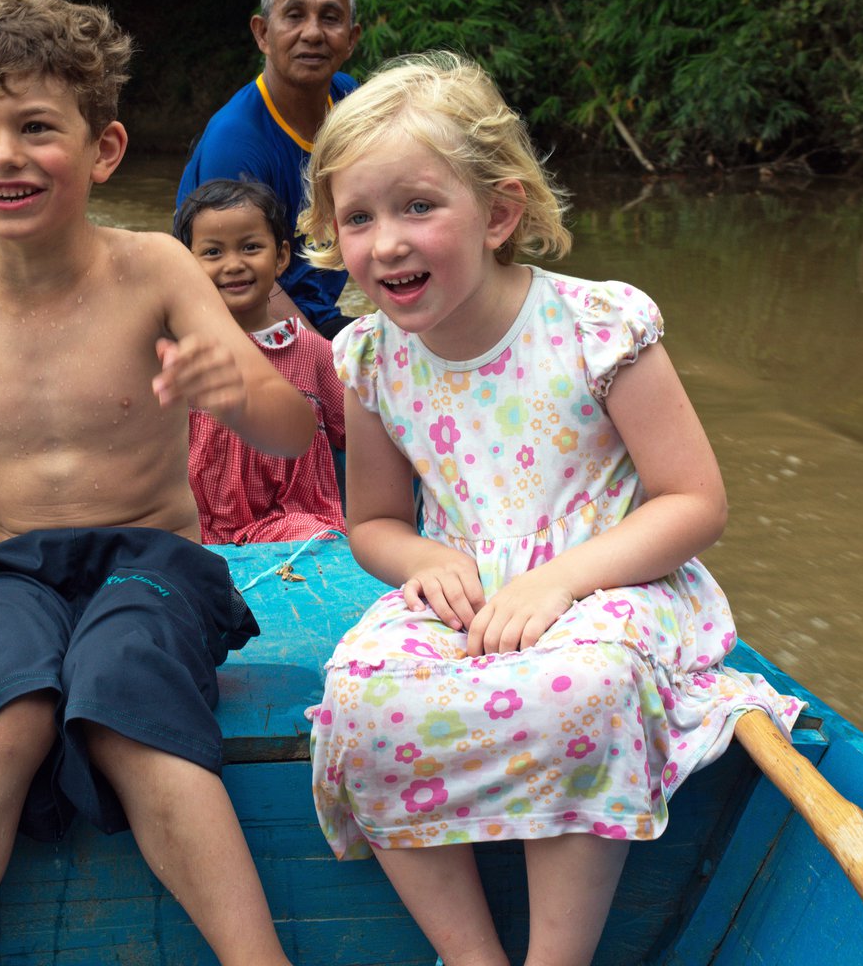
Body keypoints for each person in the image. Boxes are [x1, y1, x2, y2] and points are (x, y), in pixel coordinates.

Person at [0, 0, 313, 966]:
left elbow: (294, 433)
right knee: (4, 721)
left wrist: (236, 391)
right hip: (12, 570)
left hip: (153, 562)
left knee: (125, 702)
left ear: (103, 149)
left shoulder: (158, 272)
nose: (4, 156)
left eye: (37, 128)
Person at [296, 52, 802, 966]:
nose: (387, 243)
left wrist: (561, 582)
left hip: (610, 577)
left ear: (497, 212)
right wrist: (420, 561)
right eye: (358, 218)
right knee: (357, 702)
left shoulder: (595, 326)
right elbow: (371, 521)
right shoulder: (370, 357)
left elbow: (694, 501)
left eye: (418, 206)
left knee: (587, 692)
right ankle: (472, 956)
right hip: (467, 597)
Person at [176, 0, 362, 339]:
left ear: (352, 38)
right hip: (252, 319)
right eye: (294, 15)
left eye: (330, 18)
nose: (312, 33)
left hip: (317, 307)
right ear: (262, 34)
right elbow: (234, 283)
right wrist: (321, 364)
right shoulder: (236, 144)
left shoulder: (350, 102)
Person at [174, 177, 346, 544]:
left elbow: (361, 434)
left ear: (281, 256)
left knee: (321, 539)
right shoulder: (178, 355)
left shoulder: (312, 352)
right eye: (213, 253)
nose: (234, 265)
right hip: (192, 527)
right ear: (184, 265)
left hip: (290, 523)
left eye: (251, 247)